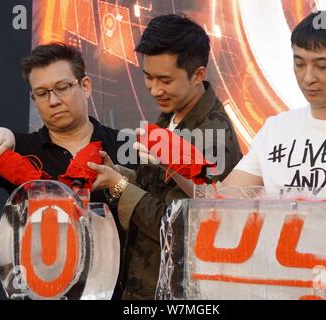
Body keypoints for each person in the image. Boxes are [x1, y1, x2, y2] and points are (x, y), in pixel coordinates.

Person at [88, 14, 243, 299]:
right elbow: (157, 187)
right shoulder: (171, 112)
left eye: (165, 80)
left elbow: (175, 224)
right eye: (148, 77)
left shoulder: (212, 136)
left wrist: (117, 186)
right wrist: (119, 174)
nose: (154, 89)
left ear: (198, 75)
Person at [220, 10, 326, 197]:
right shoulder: (275, 129)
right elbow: (224, 199)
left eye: (322, 66)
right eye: (300, 64)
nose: (308, 78)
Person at [0, 43, 132, 204]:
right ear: (33, 99)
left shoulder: (125, 144)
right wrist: (2, 134)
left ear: (85, 86)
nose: (53, 101)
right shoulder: (20, 148)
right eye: (42, 93)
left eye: (61, 88)